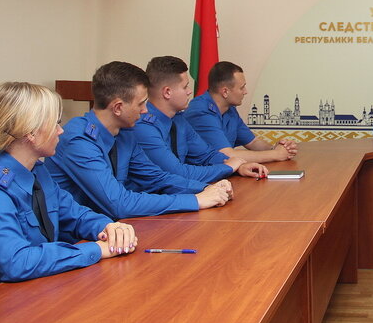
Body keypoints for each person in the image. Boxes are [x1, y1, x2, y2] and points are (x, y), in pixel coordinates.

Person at [0, 82, 137, 299]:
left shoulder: (38, 171)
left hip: (38, 290)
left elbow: (76, 215)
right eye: (55, 123)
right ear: (31, 132)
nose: (61, 130)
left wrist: (109, 227)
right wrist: (97, 250)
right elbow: (16, 263)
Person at [45, 62, 232, 219]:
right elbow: (118, 203)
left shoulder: (125, 133)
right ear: (118, 107)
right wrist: (196, 200)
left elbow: (155, 178)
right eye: (141, 104)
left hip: (113, 228)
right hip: (76, 237)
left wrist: (207, 188)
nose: (145, 111)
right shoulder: (79, 140)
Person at [135, 56, 268, 183]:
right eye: (185, 87)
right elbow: (177, 172)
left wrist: (240, 166)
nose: (189, 92)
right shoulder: (143, 126)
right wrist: (228, 167)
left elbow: (207, 155)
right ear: (167, 92)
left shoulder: (178, 119)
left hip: (178, 192)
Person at [184, 61, 298, 163]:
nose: (245, 92)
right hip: (202, 181)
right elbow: (227, 155)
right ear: (225, 91)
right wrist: (276, 154)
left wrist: (277, 148)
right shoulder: (200, 111)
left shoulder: (230, 109)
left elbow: (252, 142)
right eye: (242, 88)